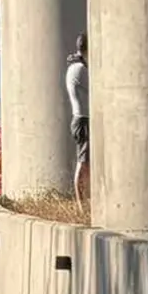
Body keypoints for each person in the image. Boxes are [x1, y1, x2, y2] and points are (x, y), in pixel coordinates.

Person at [65, 33, 89, 212]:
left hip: (83, 119)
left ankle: (85, 203)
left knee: (87, 163)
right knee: (84, 162)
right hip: (83, 120)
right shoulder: (80, 68)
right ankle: (82, 206)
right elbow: (98, 86)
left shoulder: (78, 65)